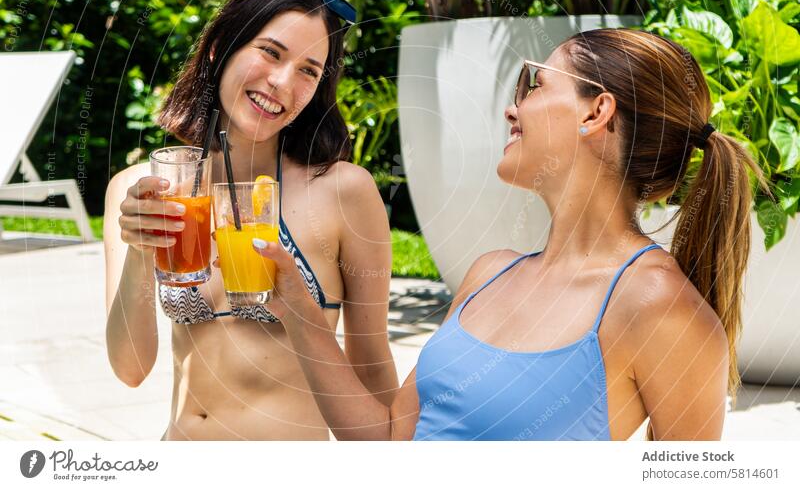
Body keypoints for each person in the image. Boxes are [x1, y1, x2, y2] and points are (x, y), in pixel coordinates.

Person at [252, 28, 767, 441]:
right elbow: (390, 442)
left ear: (596, 112)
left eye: (536, 84)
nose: (512, 106)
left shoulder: (660, 306)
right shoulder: (490, 272)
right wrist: (298, 306)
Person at [103, 0, 398, 440]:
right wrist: (141, 250)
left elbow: (373, 364)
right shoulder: (142, 188)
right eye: (270, 52)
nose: (283, 82)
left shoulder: (344, 191)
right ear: (221, 49)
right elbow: (130, 368)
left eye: (309, 70)